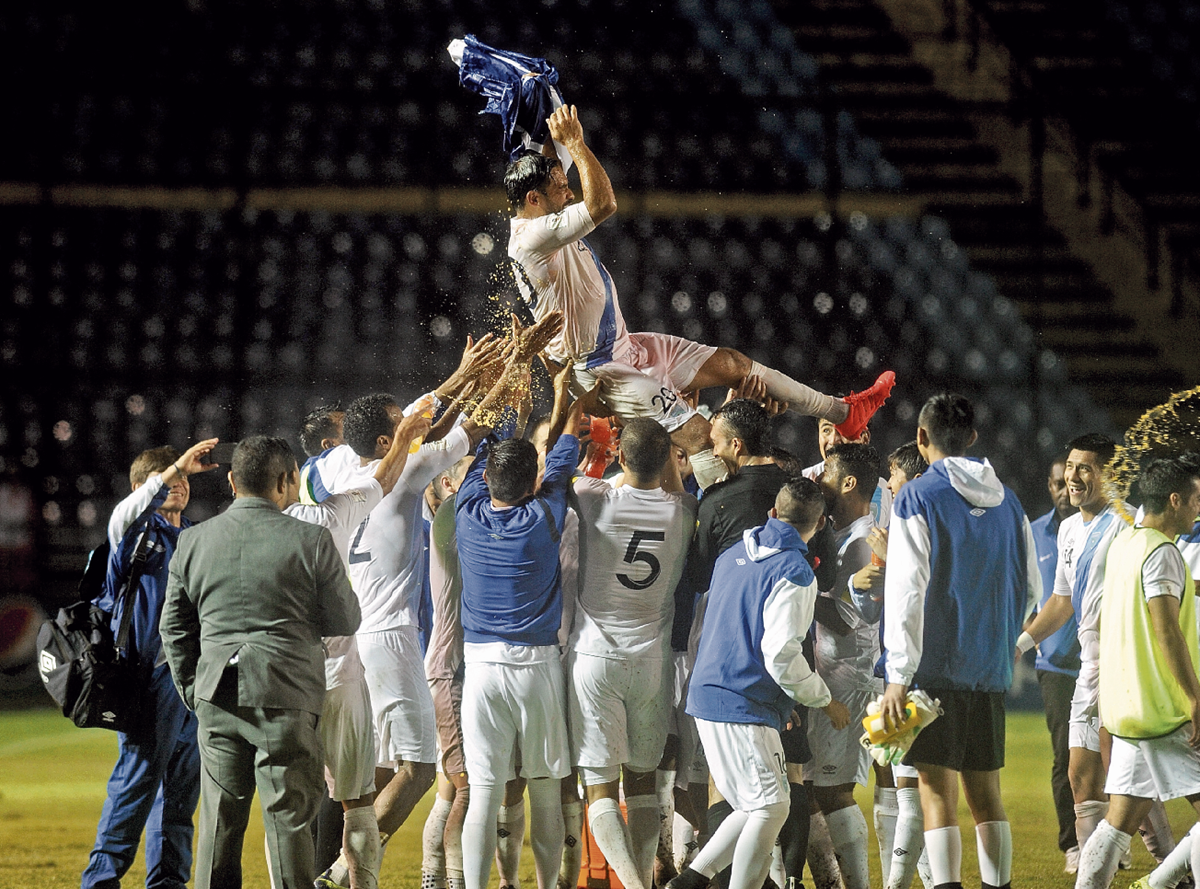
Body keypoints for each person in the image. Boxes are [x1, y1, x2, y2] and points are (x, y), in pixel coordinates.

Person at [505, 103, 894, 490]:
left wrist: (544, 114)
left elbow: (549, 166)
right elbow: (603, 203)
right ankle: (723, 521)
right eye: (559, 188)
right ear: (534, 200)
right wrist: (575, 140)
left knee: (733, 364)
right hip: (601, 369)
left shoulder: (539, 217)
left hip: (623, 344)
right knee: (702, 437)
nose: (568, 191)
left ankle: (843, 412)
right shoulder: (532, 238)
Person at [160, 436, 362, 889]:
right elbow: (346, 618)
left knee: (219, 823)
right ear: (288, 480)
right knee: (289, 822)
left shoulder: (192, 541)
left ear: (231, 481)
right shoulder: (311, 539)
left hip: (217, 694)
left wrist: (194, 687)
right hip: (286, 693)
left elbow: (173, 628)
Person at [881, 394, 1041, 889]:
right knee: (987, 795)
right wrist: (1000, 643)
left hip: (934, 670)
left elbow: (907, 590)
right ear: (972, 438)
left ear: (921, 439)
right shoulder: (1010, 500)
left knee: (936, 793)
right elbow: (1032, 586)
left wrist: (896, 676)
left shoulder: (917, 496)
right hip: (990, 670)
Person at [671, 478, 851, 889]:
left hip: (710, 694)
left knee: (753, 807)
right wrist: (824, 700)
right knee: (771, 807)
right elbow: (782, 655)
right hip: (742, 701)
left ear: (773, 512)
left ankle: (690, 881)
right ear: (821, 523)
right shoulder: (795, 571)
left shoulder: (732, 554)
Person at [288, 410, 431, 889]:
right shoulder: (346, 505)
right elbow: (387, 475)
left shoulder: (293, 513)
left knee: (324, 790)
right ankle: (340, 878)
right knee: (382, 784)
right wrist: (410, 434)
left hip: (306, 668)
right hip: (360, 657)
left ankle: (315, 875)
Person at [1016, 434, 1174, 865]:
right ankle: (1094, 866)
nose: (1073, 477)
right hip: (1089, 668)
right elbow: (1062, 602)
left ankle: (1168, 865)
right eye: (1071, 466)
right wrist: (1022, 643)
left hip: (1125, 668)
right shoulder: (1069, 529)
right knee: (1080, 777)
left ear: (1110, 475)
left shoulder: (1131, 522)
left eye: (1086, 468)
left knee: (1124, 779)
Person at [82, 438, 219, 889]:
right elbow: (130, 510)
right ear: (142, 487)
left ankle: (168, 883)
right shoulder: (132, 533)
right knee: (137, 781)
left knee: (180, 796)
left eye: (182, 478)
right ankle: (100, 880)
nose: (178, 483)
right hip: (148, 677)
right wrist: (177, 465)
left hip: (193, 680)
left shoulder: (197, 536)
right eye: (167, 478)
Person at [566, 417, 697, 889]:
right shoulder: (684, 511)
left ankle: (635, 886)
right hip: (652, 664)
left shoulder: (592, 497)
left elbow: (562, 466)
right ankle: (643, 877)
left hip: (595, 658)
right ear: (666, 461)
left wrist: (577, 407)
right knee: (643, 781)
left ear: (621, 455)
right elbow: (679, 490)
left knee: (599, 786)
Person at [1074, 455, 1200, 889]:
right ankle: (1162, 882)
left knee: (1117, 821)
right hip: (1165, 712)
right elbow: (1166, 631)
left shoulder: (1125, 544)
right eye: (1196, 499)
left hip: (1126, 711)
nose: (1199, 508)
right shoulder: (1163, 552)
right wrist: (1195, 698)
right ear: (1175, 499)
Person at [810, 443, 886, 889]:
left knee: (833, 790)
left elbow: (845, 621)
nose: (820, 481)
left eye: (827, 475)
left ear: (849, 483)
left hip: (846, 678)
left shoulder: (861, 543)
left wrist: (800, 591)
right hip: (836, 674)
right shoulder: (845, 534)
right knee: (822, 788)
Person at [1028, 453, 1082, 873]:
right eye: (1058, 483)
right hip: (1058, 667)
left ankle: (1106, 836)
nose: (1066, 490)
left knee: (1116, 756)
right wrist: (1030, 639)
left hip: (1103, 661)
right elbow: (1021, 592)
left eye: (1071, 481)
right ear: (1049, 486)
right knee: (1065, 757)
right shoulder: (1033, 534)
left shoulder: (1100, 529)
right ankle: (1073, 845)